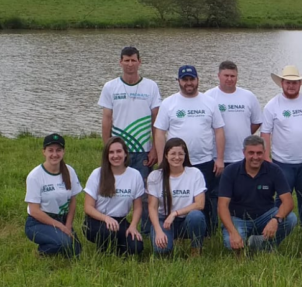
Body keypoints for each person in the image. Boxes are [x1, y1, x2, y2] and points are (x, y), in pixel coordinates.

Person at [154, 65, 225, 235]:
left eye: (192, 79)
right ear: (178, 81)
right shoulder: (169, 103)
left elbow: (219, 130)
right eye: (184, 79)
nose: (188, 83)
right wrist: (161, 160)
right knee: (176, 196)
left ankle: (208, 233)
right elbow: (159, 133)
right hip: (176, 163)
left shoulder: (209, 102)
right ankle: (174, 231)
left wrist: (220, 158)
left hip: (204, 161)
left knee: (206, 199)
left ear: (197, 80)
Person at [98, 46, 161, 235]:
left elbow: (156, 120)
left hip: (143, 150)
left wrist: (156, 149)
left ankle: (146, 232)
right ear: (120, 62)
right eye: (126, 60)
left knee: (143, 194)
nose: (130, 64)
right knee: (116, 191)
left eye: (133, 60)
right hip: (119, 151)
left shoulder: (151, 86)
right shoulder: (110, 86)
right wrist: (107, 147)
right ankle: (113, 229)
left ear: (139, 62)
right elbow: (107, 119)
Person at [261, 65, 302, 227]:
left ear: (300, 84)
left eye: (294, 82)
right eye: (287, 82)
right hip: (282, 162)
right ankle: (277, 226)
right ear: (281, 83)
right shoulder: (272, 105)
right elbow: (265, 133)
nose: (291, 86)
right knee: (282, 196)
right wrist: (266, 157)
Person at [217, 135, 298, 254]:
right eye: (251, 153)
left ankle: (264, 245)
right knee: (231, 244)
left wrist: (276, 219)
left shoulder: (274, 170)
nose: (255, 157)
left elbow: (288, 202)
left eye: (259, 153)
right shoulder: (231, 171)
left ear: (264, 153)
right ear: (244, 152)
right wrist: (233, 233)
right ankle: (243, 245)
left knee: (291, 218)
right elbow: (222, 205)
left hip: (265, 216)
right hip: (238, 219)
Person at [83, 137, 145, 255]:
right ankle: (104, 251)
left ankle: (116, 248)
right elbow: (88, 207)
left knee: (136, 247)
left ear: (125, 153)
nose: (115, 156)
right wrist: (106, 218)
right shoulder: (97, 174)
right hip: (97, 219)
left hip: (120, 220)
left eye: (119, 151)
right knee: (108, 233)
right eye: (111, 152)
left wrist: (133, 226)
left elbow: (138, 207)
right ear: (106, 155)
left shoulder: (135, 175)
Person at [24, 134, 83, 258]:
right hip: (38, 222)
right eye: (50, 150)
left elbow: (73, 201)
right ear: (44, 152)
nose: (54, 154)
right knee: (64, 243)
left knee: (76, 251)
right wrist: (60, 227)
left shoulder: (69, 171)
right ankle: (42, 251)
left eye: (58, 150)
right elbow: (34, 211)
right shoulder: (35, 176)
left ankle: (55, 242)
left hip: (62, 218)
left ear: (63, 152)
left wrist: (68, 225)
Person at [147, 138, 207, 256]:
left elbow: (200, 204)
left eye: (180, 154)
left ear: (185, 156)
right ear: (165, 155)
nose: (177, 157)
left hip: (186, 219)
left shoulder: (195, 173)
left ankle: (196, 249)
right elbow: (152, 207)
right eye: (173, 153)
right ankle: (168, 239)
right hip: (164, 221)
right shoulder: (155, 176)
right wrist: (158, 231)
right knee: (161, 251)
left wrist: (175, 213)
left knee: (197, 216)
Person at [204, 61, 263, 168]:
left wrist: (243, 132)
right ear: (218, 76)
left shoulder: (248, 96)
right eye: (226, 75)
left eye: (233, 76)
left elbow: (257, 122)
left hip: (242, 156)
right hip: (216, 157)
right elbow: (203, 125)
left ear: (237, 77)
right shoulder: (208, 96)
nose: (229, 79)